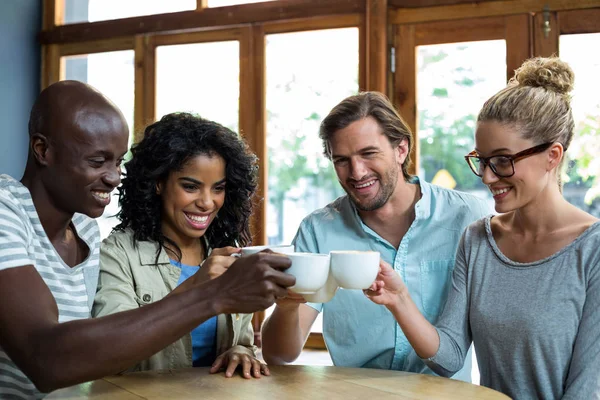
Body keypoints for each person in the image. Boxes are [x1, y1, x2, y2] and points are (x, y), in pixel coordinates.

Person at [0, 81, 295, 399]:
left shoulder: (84, 226)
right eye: (97, 162)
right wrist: (211, 294)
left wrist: (242, 346)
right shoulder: (7, 209)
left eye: (116, 162)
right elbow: (45, 361)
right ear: (43, 150)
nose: (114, 177)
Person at [364, 57, 600, 399]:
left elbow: (587, 389)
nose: (488, 177)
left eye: (503, 161)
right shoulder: (479, 239)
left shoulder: (592, 250)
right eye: (482, 160)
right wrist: (399, 299)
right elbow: (449, 358)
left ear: (553, 155)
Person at [261, 91, 492, 381]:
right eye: (342, 160)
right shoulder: (318, 230)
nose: (356, 172)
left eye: (368, 154)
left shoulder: (467, 216)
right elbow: (279, 355)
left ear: (401, 150)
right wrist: (285, 306)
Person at [93, 113, 265, 378]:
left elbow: (243, 341)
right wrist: (198, 287)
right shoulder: (117, 255)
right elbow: (109, 351)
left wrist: (240, 352)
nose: (207, 203)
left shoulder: (226, 254)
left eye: (218, 188)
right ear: (159, 183)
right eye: (191, 187)